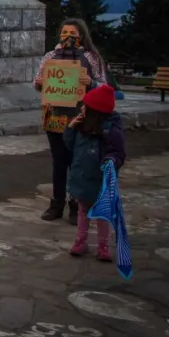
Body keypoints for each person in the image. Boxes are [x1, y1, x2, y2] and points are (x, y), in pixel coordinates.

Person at [34, 18, 106, 223]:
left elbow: (104, 86)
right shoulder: (50, 56)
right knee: (59, 162)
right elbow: (37, 81)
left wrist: (91, 82)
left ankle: (76, 205)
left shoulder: (91, 58)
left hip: (80, 117)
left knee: (77, 162)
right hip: (55, 115)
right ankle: (57, 203)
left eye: (72, 34)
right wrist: (39, 82)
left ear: (81, 36)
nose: (68, 37)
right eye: (64, 33)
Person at [64, 85, 126, 261]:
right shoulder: (81, 126)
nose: (82, 108)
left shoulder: (110, 130)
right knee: (83, 210)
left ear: (95, 111)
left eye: (86, 106)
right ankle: (80, 242)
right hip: (82, 177)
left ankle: (103, 246)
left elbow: (117, 152)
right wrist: (70, 127)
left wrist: (110, 162)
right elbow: (69, 146)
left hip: (101, 179)